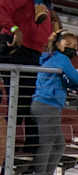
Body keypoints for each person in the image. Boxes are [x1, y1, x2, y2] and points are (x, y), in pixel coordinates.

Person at [30, 29, 78, 175]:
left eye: (75, 45)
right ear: (59, 45)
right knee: (48, 143)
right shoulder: (61, 58)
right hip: (47, 105)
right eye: (69, 44)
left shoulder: (54, 58)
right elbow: (76, 78)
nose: (73, 48)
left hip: (46, 105)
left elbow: (69, 82)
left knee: (58, 144)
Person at [0, 0, 55, 157]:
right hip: (17, 49)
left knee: (32, 106)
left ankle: (31, 155)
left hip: (33, 55)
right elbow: (1, 9)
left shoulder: (47, 6)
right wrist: (14, 29)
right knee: (19, 106)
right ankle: (8, 156)